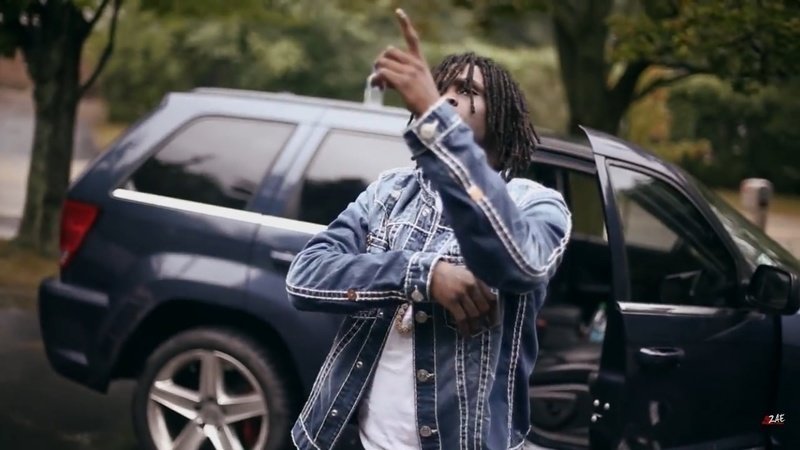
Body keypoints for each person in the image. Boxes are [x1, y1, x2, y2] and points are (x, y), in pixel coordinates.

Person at [286, 9, 571, 450]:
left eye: (468, 91)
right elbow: (304, 277)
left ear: (501, 116)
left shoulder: (535, 204)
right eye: (443, 90)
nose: (450, 98)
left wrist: (436, 121)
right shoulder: (388, 192)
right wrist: (422, 275)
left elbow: (521, 264)